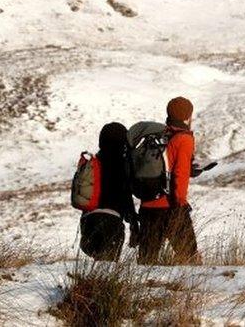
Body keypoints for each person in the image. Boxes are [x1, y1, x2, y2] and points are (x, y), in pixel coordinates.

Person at [137, 97, 200, 265]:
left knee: (145, 263)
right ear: (187, 116)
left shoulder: (159, 135)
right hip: (171, 207)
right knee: (191, 261)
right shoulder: (184, 138)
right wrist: (181, 204)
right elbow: (178, 174)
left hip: (147, 206)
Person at [80, 122, 137, 261]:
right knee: (107, 266)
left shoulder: (92, 163)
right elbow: (126, 198)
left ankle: (89, 282)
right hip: (111, 223)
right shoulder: (122, 165)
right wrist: (134, 223)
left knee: (98, 262)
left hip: (88, 222)